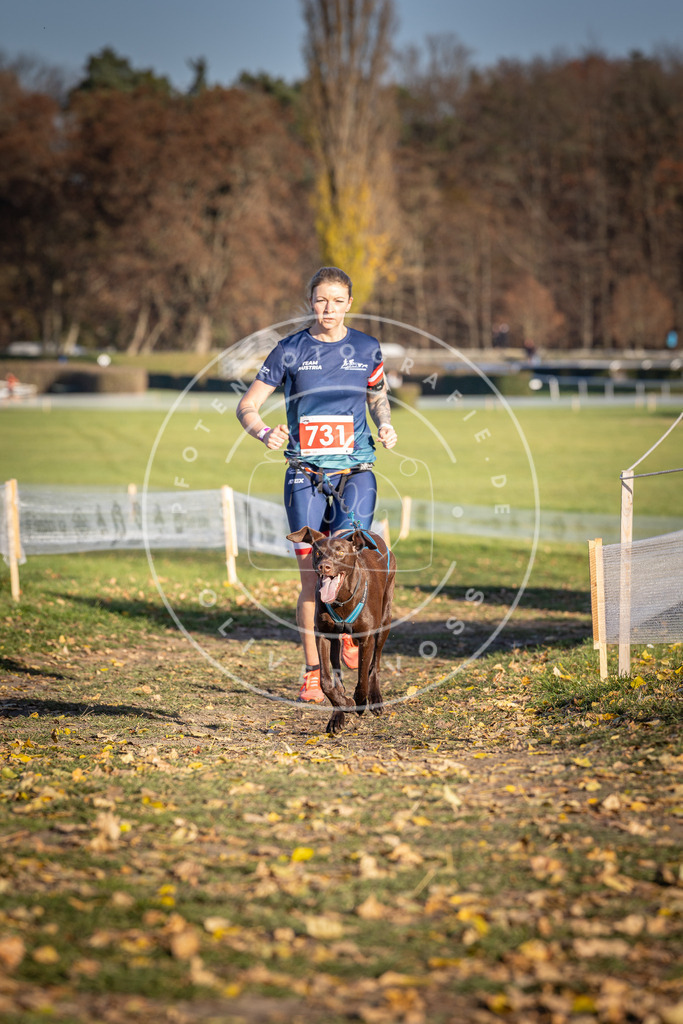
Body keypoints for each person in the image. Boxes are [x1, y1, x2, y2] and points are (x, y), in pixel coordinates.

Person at [236, 266, 398, 702]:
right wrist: (262, 432)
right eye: (321, 300)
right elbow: (247, 405)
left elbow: (377, 394)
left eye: (337, 300)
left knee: (350, 561)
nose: (328, 308)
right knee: (311, 577)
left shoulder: (367, 347)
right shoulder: (289, 351)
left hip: (355, 473)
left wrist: (384, 424)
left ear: (349, 303)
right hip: (304, 475)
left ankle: (346, 630)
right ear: (311, 301)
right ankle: (312, 671)